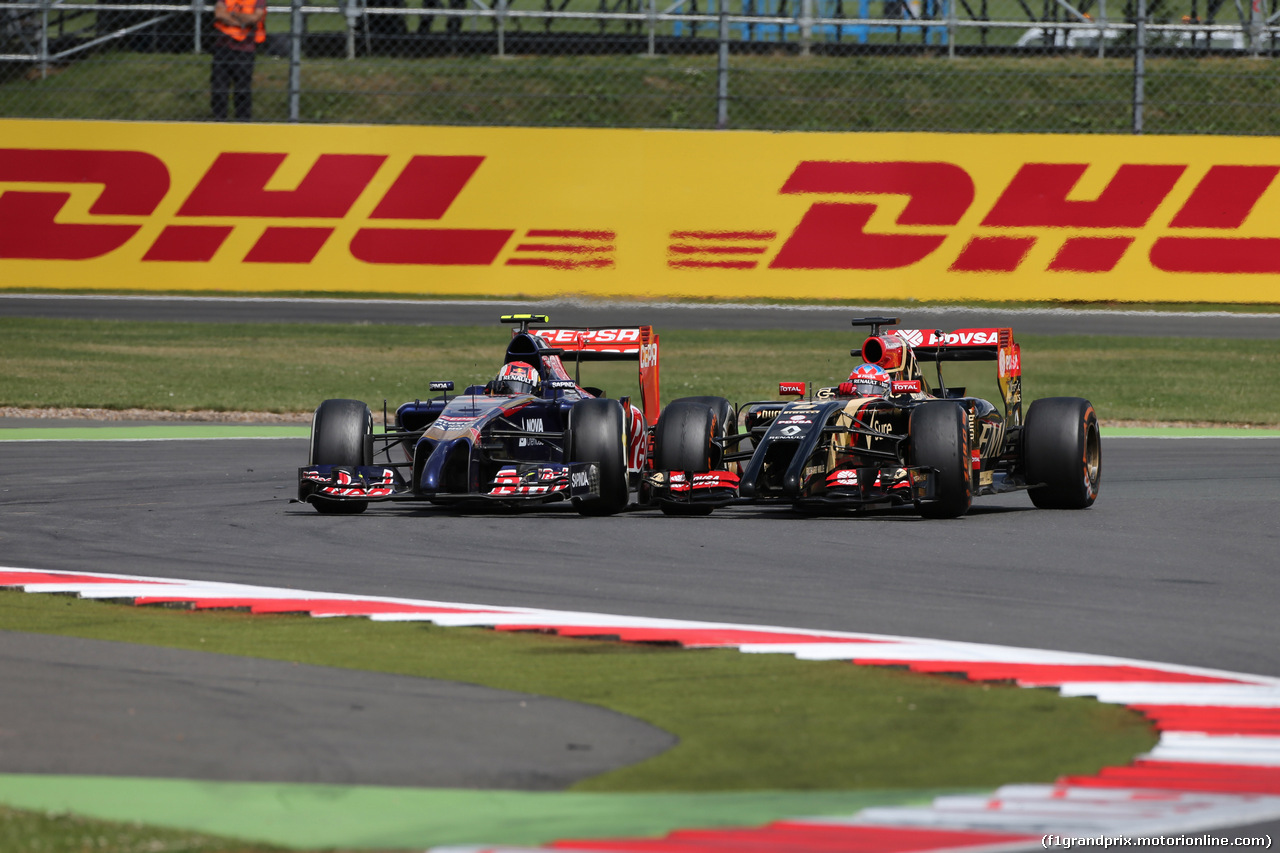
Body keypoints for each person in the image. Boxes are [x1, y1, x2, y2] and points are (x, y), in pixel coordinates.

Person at [211, 0, 266, 121]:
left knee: (242, 90)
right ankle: (219, 121)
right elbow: (219, 14)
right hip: (223, 47)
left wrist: (232, 14)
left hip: (245, 49)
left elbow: (254, 18)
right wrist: (241, 22)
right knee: (219, 89)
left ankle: (243, 122)